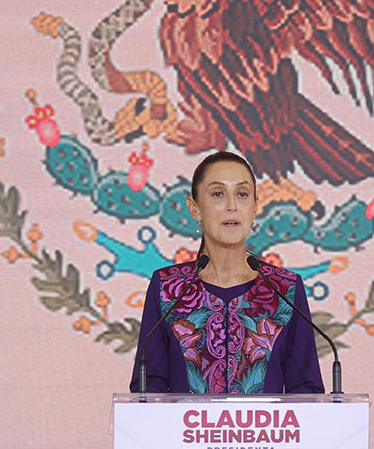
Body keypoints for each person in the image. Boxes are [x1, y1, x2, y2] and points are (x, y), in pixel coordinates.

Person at [130, 150, 326, 394]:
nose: (232, 206)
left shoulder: (285, 288)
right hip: (186, 433)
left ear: (255, 207)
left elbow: (305, 388)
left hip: (265, 433)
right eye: (218, 194)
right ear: (195, 208)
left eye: (242, 195)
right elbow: (149, 385)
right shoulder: (169, 288)